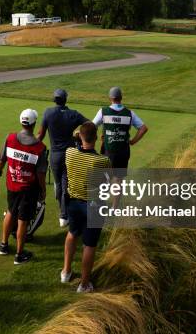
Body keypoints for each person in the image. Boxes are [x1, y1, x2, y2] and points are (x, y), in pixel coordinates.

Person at [62, 122, 111, 293]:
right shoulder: (102, 160)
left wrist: (79, 135)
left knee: (72, 233)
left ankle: (66, 272)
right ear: (96, 137)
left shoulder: (69, 153)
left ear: (80, 136)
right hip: (94, 205)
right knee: (89, 245)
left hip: (73, 203)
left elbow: (75, 137)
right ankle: (84, 284)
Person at [0, 108, 48, 264]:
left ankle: (3, 245)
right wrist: (43, 190)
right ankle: (19, 254)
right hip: (28, 189)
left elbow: (1, 159)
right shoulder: (39, 148)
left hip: (12, 185)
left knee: (11, 211)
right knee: (23, 220)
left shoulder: (10, 138)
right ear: (34, 124)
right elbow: (40, 174)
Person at [37, 89, 88, 227]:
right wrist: (78, 134)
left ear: (55, 100)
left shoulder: (48, 112)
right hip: (70, 154)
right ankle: (64, 215)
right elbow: (89, 125)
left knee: (58, 183)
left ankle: (63, 213)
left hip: (55, 155)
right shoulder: (73, 114)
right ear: (66, 99)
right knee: (65, 183)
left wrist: (29, 144)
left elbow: (40, 136)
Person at [92, 87, 148, 172]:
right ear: (121, 98)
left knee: (107, 178)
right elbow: (143, 128)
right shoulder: (129, 113)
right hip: (123, 151)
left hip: (108, 150)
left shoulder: (103, 111)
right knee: (119, 179)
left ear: (110, 98)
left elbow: (92, 126)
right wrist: (133, 141)